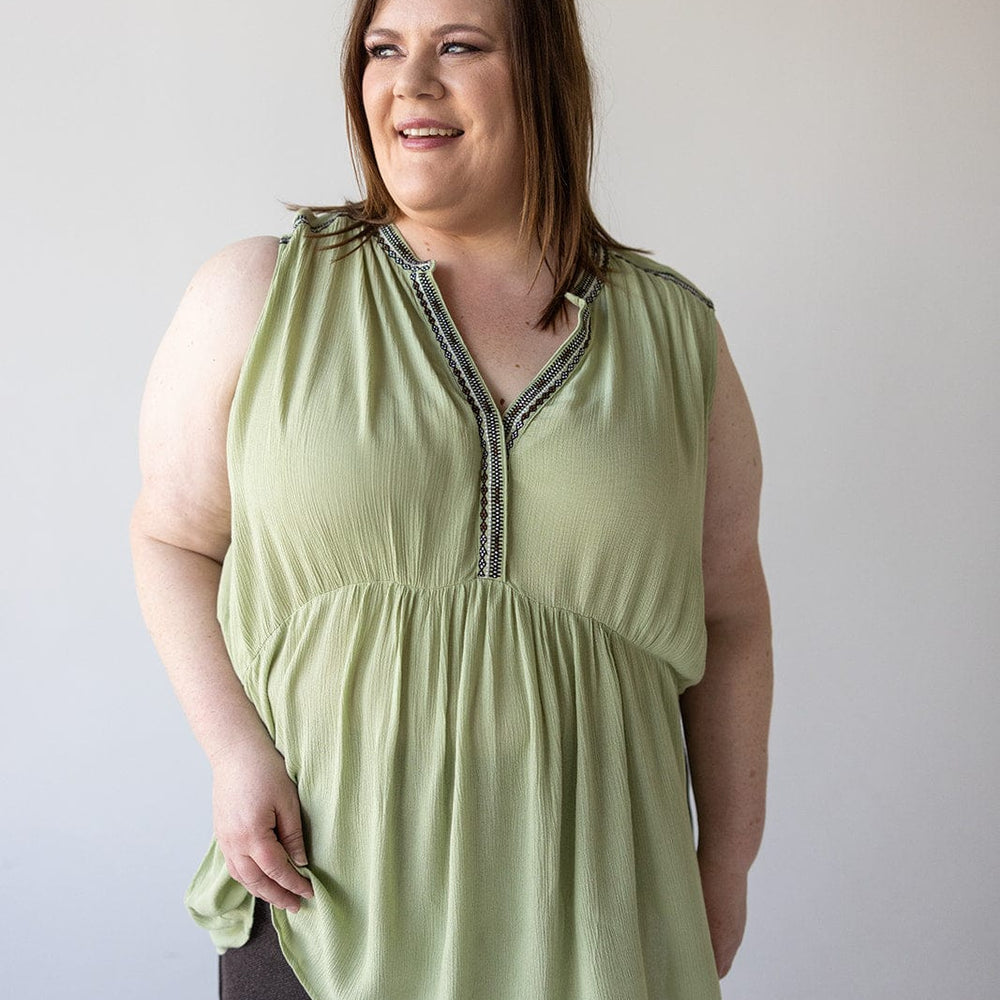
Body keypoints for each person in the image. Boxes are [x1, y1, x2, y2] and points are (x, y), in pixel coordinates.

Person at [130, 0, 772, 997]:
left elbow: (729, 613)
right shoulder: (259, 295)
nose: (411, 83)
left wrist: (725, 861)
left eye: (459, 46)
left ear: (544, 74)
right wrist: (232, 750)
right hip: (323, 908)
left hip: (603, 925)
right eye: (384, 50)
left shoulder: (676, 337)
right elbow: (171, 537)